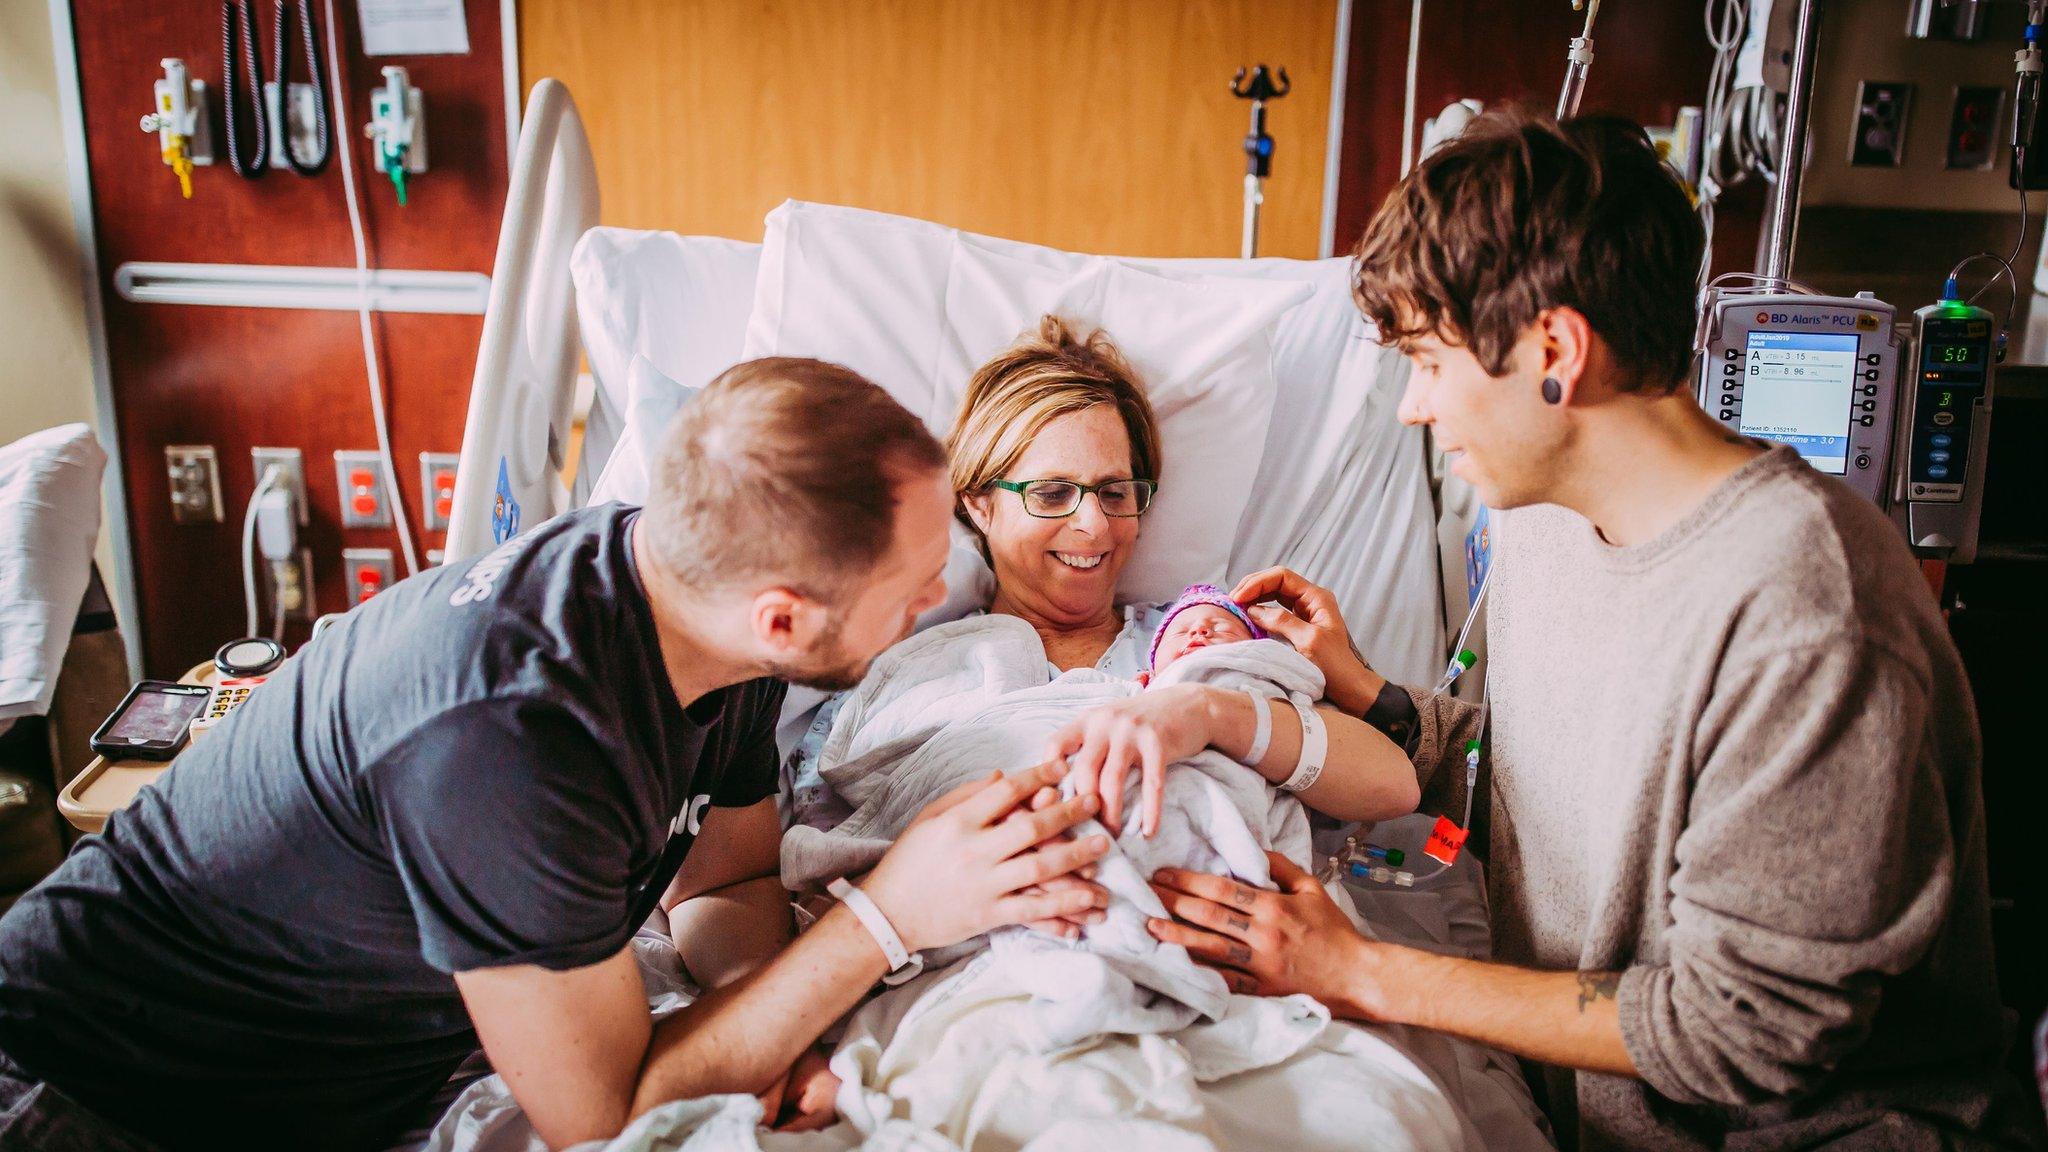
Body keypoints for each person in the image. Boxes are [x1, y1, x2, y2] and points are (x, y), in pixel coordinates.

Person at [1143, 109, 2039, 1149]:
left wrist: (1360, 972)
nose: (1411, 409)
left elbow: (1739, 1033)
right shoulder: (1546, 521)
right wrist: (1375, 701)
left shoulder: (1806, 615)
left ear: (1554, 352)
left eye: (1429, 363)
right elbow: (1527, 784)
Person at [0, 359, 1112, 1152]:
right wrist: (891, 912)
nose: (935, 603)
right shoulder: (510, 744)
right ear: (781, 617)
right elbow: (603, 1117)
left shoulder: (702, 610)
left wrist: (775, 1027)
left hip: (329, 1086)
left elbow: (721, 879)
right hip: (100, 1097)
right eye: (913, 586)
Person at [943, 315, 1419, 838]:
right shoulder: (927, 668)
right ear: (979, 505)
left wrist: (1210, 712)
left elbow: (1391, 782)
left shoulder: (1202, 639)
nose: (1096, 524)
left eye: (1115, 492)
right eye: (1053, 493)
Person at [1136, 583, 1267, 683]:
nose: (1198, 628)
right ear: (1152, 673)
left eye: (1221, 628)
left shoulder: (1262, 680)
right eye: (1181, 631)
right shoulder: (1140, 693)